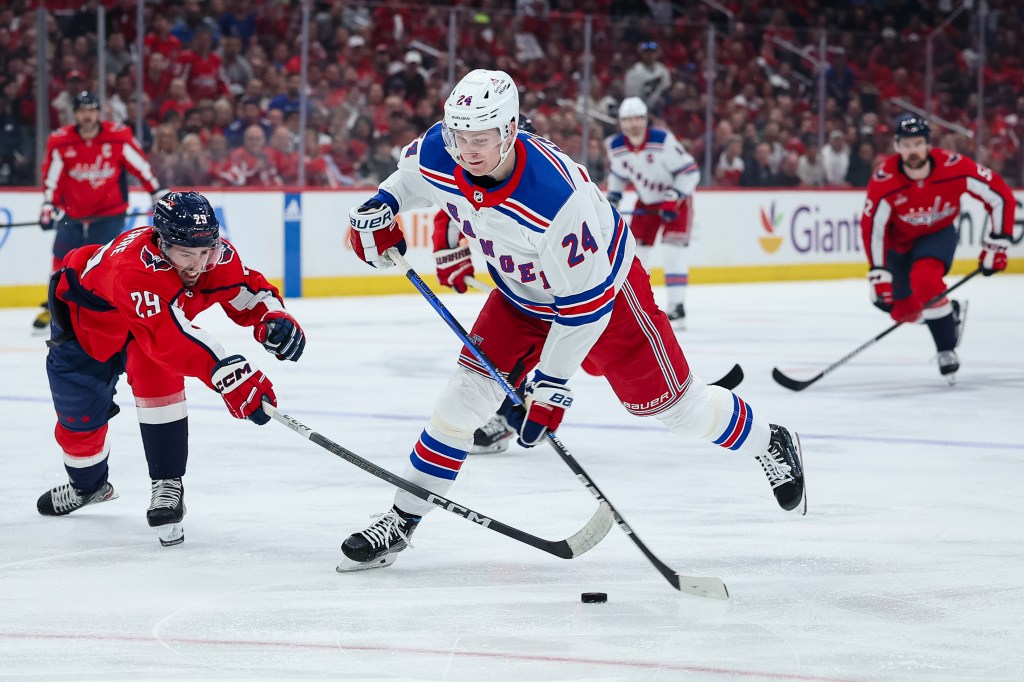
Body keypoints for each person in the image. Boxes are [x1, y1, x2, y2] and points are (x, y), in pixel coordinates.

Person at [341, 69, 806, 573]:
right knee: (459, 405)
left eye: (482, 138)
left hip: (609, 301)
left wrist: (552, 385)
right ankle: (400, 520)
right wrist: (380, 207)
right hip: (520, 298)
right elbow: (409, 179)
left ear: (511, 130)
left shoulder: (557, 199)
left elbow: (585, 308)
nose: (467, 150)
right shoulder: (441, 148)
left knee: (679, 412)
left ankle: (770, 440)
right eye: (459, 136)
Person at [37, 191, 305, 547]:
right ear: (161, 243)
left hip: (146, 332)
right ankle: (88, 486)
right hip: (87, 331)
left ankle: (167, 483)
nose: (196, 265)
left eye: (204, 251)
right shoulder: (133, 270)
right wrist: (225, 373)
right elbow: (169, 338)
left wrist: (273, 318)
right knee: (78, 423)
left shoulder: (214, 256)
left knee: (158, 373)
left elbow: (246, 290)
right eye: (185, 254)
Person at [861, 116, 1014, 381]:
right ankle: (945, 311)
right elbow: (872, 228)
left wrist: (997, 244)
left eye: (918, 144)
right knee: (901, 311)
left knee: (925, 281)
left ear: (928, 145)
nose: (913, 151)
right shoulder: (884, 180)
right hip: (897, 246)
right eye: (907, 145)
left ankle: (946, 349)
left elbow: (1000, 195)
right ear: (897, 146)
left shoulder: (954, 167)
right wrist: (878, 273)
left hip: (936, 235)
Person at [430, 114, 539, 456]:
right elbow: (451, 209)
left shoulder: (545, 185)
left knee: (586, 359)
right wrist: (450, 255)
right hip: (519, 294)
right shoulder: (478, 179)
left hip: (566, 293)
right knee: (502, 355)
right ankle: (508, 415)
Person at [35, 91, 168, 331]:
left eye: (91, 110)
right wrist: (48, 204)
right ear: (75, 114)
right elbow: (52, 177)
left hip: (109, 212)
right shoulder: (61, 141)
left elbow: (140, 166)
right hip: (72, 213)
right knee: (61, 259)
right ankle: (54, 307)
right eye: (82, 110)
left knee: (104, 261)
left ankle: (105, 308)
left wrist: (155, 191)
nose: (87, 115)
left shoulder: (117, 136)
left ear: (98, 112)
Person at [605, 97, 700, 325]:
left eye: (637, 118)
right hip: (646, 203)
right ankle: (635, 305)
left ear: (645, 119)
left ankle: (677, 306)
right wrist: (613, 198)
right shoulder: (615, 146)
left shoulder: (662, 140)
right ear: (621, 122)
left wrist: (674, 196)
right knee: (635, 256)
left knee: (672, 252)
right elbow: (618, 176)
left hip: (675, 202)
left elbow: (690, 171)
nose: (633, 124)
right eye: (627, 120)